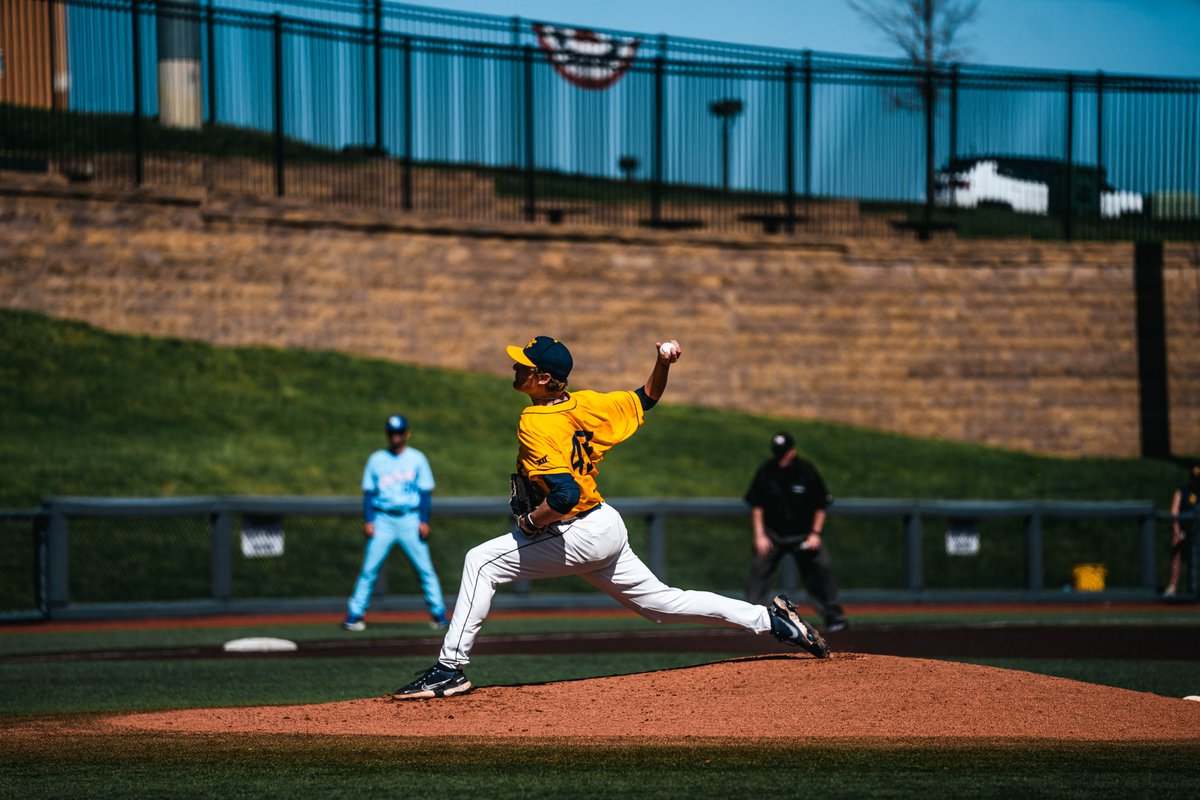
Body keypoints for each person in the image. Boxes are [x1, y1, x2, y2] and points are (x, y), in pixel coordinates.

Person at [391, 336, 829, 699]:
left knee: (480, 562)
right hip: (604, 524)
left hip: (577, 529)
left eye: (523, 366)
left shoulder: (535, 422)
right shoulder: (588, 404)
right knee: (662, 604)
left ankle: (450, 670)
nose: (515, 370)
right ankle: (772, 621)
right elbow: (647, 398)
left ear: (544, 378)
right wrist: (662, 363)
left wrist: (529, 523)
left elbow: (564, 494)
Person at [342, 414, 449, 632]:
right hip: (383, 519)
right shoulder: (376, 459)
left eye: (399, 432)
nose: (396, 436)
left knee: (425, 569)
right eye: (392, 433)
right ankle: (355, 614)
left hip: (410, 518)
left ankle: (438, 614)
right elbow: (369, 493)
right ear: (387, 434)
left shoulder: (417, 458)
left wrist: (424, 520)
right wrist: (369, 519)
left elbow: (425, 492)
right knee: (369, 569)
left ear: (407, 433)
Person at [743, 432, 848, 633]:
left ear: (792, 451)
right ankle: (749, 619)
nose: (782, 456)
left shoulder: (806, 471)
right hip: (774, 534)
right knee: (758, 571)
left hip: (803, 534)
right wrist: (760, 535)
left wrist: (815, 533)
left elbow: (821, 505)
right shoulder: (767, 471)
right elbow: (757, 506)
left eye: (785, 452)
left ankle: (834, 617)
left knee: (821, 569)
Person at [1164, 463, 1200, 598]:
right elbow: (1174, 510)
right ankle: (1173, 586)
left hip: (1197, 533)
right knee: (1176, 552)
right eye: (1195, 478)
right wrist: (1176, 529)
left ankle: (1195, 587)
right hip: (1184, 531)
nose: (1196, 481)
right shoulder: (1183, 491)